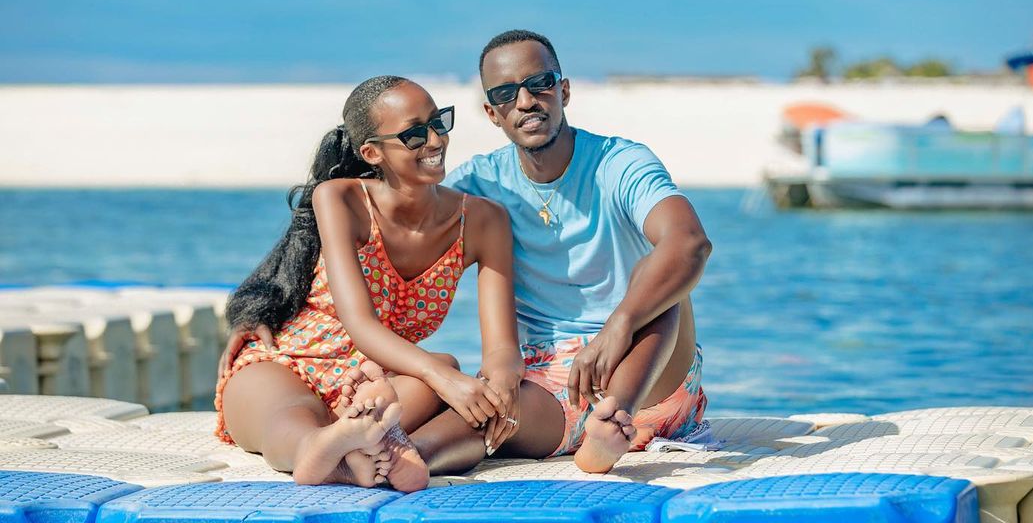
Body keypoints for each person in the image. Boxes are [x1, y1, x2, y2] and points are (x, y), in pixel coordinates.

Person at [403, 30, 712, 475]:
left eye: (540, 84)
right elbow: (394, 247)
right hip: (555, 382)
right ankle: (388, 461)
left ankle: (613, 420)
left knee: (662, 271)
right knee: (463, 427)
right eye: (506, 94)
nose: (526, 101)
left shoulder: (618, 162)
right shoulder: (480, 184)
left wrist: (620, 325)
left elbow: (690, 243)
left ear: (563, 90)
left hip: (649, 368)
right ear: (492, 113)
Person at [215, 75, 520, 492]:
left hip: (376, 380)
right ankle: (322, 449)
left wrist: (501, 386)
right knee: (295, 411)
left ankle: (354, 449)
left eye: (438, 122)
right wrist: (443, 378)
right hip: (288, 362)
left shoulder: (485, 220)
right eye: (414, 134)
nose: (435, 140)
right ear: (372, 152)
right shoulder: (340, 198)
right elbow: (359, 324)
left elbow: (502, 347)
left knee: (444, 369)